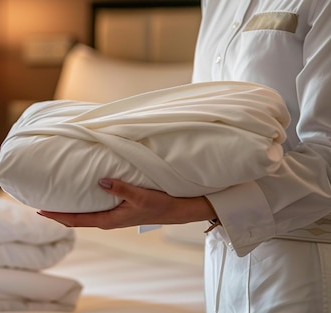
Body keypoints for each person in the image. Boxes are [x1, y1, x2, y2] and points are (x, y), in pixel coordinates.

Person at [37, 1, 331, 312]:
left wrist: (186, 208)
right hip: (220, 263)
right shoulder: (217, 5)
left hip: (304, 267)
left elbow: (327, 155)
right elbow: (204, 134)